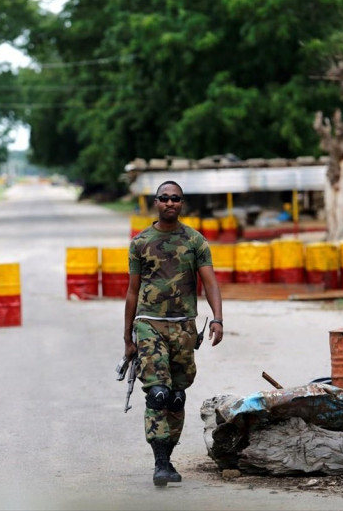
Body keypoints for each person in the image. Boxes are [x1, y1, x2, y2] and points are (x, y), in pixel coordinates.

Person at [123, 180, 223, 486]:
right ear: (155, 202)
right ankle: (161, 462)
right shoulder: (140, 242)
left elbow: (210, 283)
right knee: (158, 392)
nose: (169, 203)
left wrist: (218, 319)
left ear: (182, 203)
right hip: (149, 322)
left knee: (177, 396)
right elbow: (132, 291)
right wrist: (127, 338)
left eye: (175, 198)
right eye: (164, 198)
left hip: (183, 325)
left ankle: (168, 453)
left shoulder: (195, 241)